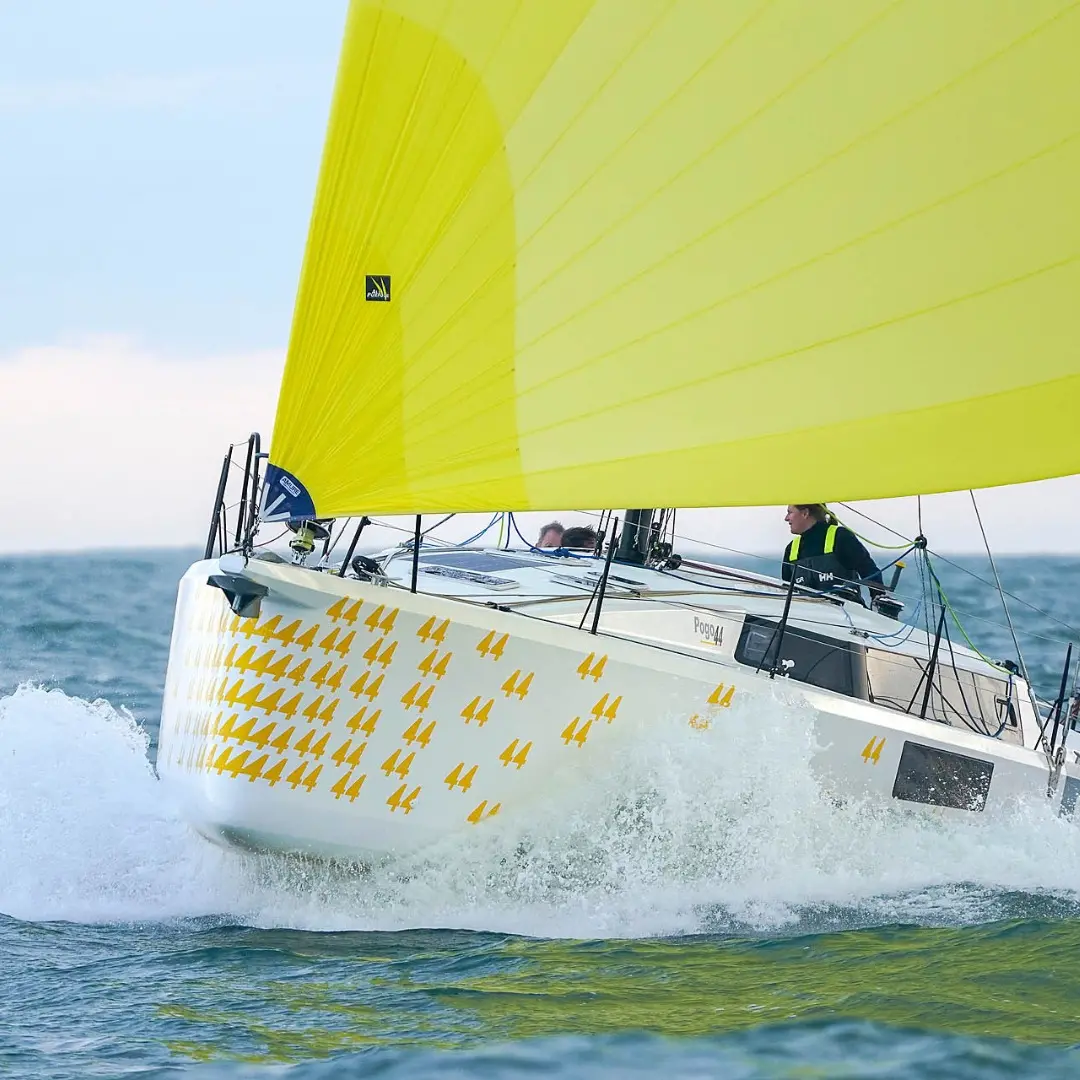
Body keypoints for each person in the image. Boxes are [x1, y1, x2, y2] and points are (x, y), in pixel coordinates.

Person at [782, 504, 883, 603]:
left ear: (805, 513)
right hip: (804, 612)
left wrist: (879, 597)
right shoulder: (791, 549)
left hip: (845, 611)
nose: (786, 518)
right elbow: (786, 590)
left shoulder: (841, 537)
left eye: (790, 513)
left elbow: (868, 570)